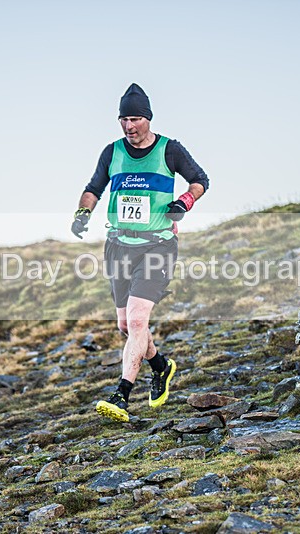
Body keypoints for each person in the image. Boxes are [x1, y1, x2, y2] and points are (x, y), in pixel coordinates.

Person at [71, 83, 209, 422]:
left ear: (148, 118)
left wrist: (184, 202)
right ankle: (160, 366)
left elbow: (200, 180)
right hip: (118, 246)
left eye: (135, 119)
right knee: (126, 325)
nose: (129, 126)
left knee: (136, 320)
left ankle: (121, 395)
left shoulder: (169, 149)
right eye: (123, 119)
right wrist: (82, 213)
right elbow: (93, 188)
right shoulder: (112, 152)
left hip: (157, 245)